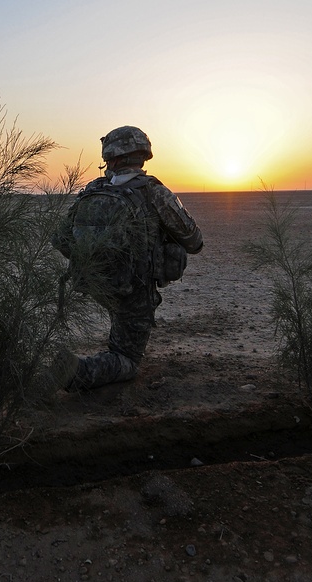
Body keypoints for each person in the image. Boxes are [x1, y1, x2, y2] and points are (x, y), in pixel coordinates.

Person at [52, 125, 204, 390]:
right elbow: (194, 241)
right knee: (127, 359)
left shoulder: (93, 189)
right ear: (143, 155)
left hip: (95, 284)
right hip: (133, 290)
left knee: (121, 322)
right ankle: (76, 372)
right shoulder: (153, 191)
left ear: (109, 157)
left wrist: (99, 260)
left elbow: (61, 239)